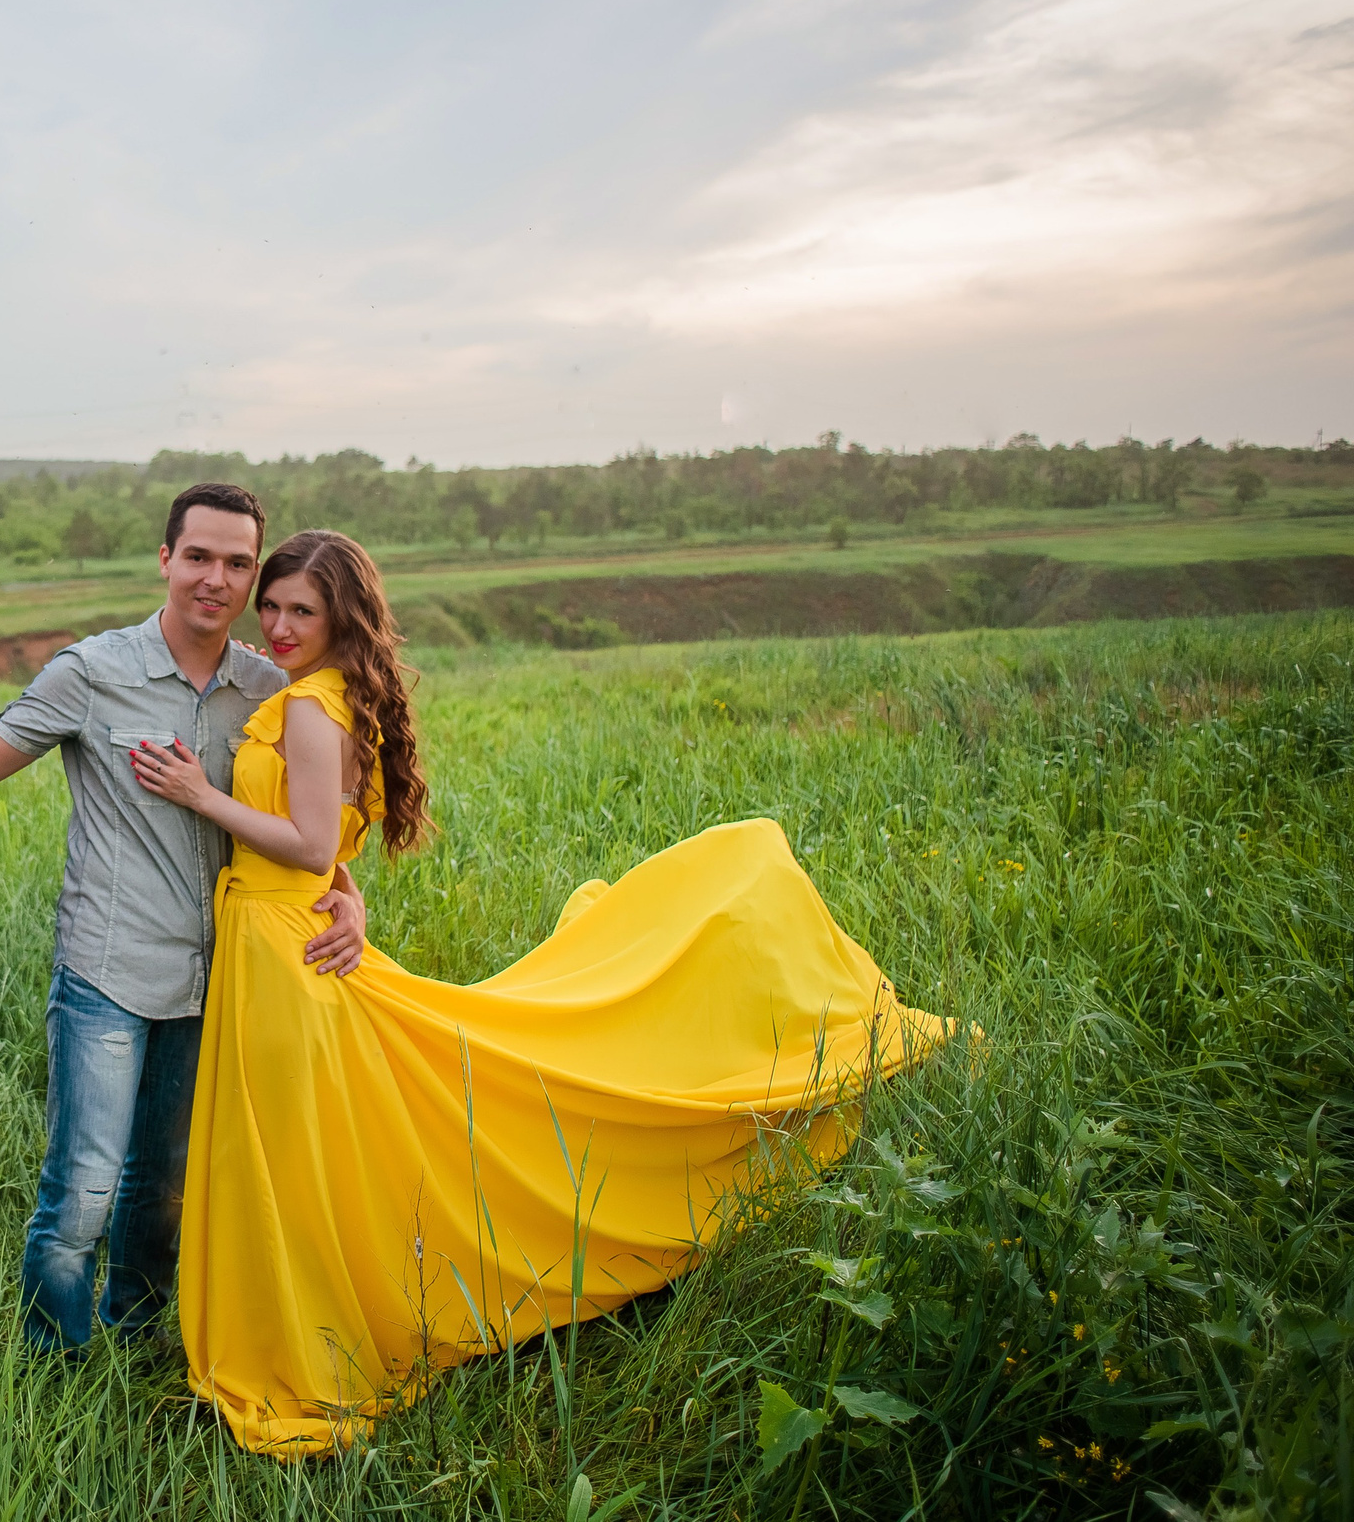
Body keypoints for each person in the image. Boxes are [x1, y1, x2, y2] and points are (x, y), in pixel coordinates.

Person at [128, 529, 953, 1457]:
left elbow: (314, 843)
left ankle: (313, 1333)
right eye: (269, 605)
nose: (276, 625)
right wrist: (342, 890)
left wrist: (201, 795)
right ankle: (316, 1309)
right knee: (306, 1143)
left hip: (283, 950)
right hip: (286, 933)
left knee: (287, 1148)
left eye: (300, 610)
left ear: (342, 617)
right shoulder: (324, 696)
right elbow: (334, 847)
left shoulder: (312, 710)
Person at [0, 484, 371, 1354]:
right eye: (201, 556)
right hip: (106, 968)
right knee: (84, 1193)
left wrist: (348, 894)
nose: (217, 578)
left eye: (238, 563)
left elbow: (304, 818)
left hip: (218, 975)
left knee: (165, 1189)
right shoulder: (92, 671)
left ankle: (133, 1339)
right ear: (166, 559)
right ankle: (54, 1364)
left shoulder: (265, 684)